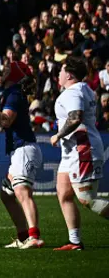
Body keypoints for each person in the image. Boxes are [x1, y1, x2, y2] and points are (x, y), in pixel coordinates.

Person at [0, 61, 44, 249]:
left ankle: (34, 236)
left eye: (7, 70)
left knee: (21, 192)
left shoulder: (13, 94)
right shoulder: (11, 94)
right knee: (6, 195)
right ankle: (23, 237)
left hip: (24, 149)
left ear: (15, 75)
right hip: (20, 150)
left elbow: (5, 120)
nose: (2, 72)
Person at [50, 57, 109, 250]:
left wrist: (58, 135)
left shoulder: (73, 93)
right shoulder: (85, 89)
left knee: (87, 200)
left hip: (82, 150)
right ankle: (74, 242)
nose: (58, 74)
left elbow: (75, 118)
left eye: (61, 70)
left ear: (69, 74)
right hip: (73, 151)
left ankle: (75, 241)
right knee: (63, 192)